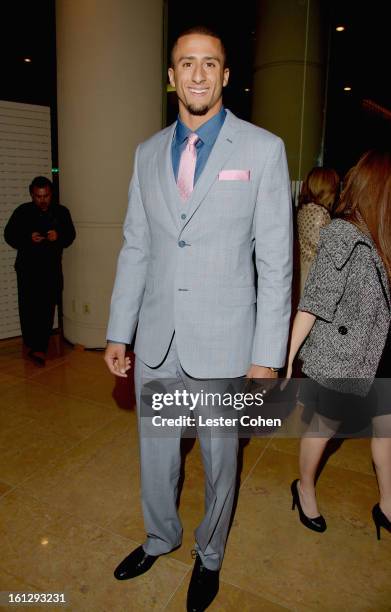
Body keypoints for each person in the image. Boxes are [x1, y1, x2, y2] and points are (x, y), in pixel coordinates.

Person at [104, 26, 292, 611]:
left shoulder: (263, 150)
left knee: (219, 461)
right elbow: (137, 244)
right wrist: (118, 327)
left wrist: (268, 355)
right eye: (187, 63)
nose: (198, 74)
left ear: (226, 75)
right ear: (171, 77)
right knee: (156, 454)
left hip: (225, 343)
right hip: (159, 340)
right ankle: (161, 534)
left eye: (210, 64)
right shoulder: (145, 152)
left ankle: (209, 555)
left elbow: (276, 261)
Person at [286, 150, 391, 539]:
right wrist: (289, 357)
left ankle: (387, 503)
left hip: (381, 351)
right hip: (343, 354)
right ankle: (304, 488)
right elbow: (314, 301)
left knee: (387, 431)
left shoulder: (383, 234)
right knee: (323, 429)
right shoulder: (342, 232)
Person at [4, 176, 76, 366]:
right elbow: (8, 235)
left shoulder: (61, 212)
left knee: (47, 307)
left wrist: (58, 236)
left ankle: (39, 347)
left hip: (50, 270)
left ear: (51, 194)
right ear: (32, 194)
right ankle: (32, 343)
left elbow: (70, 236)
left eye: (46, 196)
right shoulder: (23, 212)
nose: (42, 200)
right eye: (38, 196)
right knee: (27, 308)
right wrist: (28, 237)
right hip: (27, 269)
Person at [297, 167, 340, 295]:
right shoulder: (320, 213)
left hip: (306, 270)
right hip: (318, 278)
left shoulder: (304, 209)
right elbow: (330, 251)